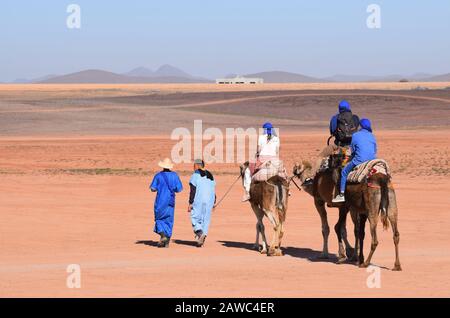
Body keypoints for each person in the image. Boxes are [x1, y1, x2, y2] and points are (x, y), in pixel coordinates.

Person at [303, 100, 360, 185]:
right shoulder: (355, 118)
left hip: (338, 146)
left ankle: (311, 178)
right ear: (349, 108)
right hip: (352, 147)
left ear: (339, 109)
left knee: (320, 156)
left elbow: (332, 132)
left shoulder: (335, 118)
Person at [332, 118, 377, 203]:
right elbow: (374, 150)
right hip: (372, 160)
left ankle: (341, 194)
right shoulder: (372, 136)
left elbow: (353, 151)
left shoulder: (356, 135)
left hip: (359, 160)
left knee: (344, 172)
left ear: (361, 126)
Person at [242, 122, 280, 202]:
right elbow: (277, 151)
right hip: (274, 159)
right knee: (282, 172)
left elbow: (259, 150)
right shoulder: (276, 138)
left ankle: (247, 193)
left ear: (264, 130)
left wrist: (257, 153)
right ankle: (288, 190)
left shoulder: (261, 137)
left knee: (248, 171)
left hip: (262, 159)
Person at [149, 158, 183, 248]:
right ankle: (166, 241)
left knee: (159, 219)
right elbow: (179, 189)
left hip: (160, 201)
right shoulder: (175, 175)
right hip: (171, 202)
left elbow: (153, 188)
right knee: (169, 220)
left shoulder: (158, 176)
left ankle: (163, 235)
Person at [188, 159, 216, 247]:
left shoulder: (195, 174)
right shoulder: (210, 175)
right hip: (210, 199)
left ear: (198, 165)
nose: (193, 167)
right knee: (205, 219)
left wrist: (190, 202)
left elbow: (193, 190)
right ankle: (202, 237)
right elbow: (213, 189)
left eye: (194, 165)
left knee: (195, 217)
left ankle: (200, 234)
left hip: (199, 198)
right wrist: (214, 201)